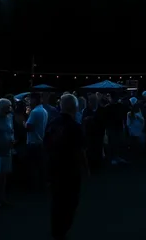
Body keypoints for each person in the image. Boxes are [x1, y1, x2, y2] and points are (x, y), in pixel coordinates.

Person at [45, 94, 88, 240]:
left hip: (54, 168)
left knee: (57, 200)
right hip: (70, 170)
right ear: (75, 107)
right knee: (70, 201)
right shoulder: (75, 127)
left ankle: (57, 230)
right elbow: (81, 150)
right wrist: (86, 168)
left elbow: (46, 145)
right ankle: (62, 229)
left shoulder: (52, 123)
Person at [25, 93, 48, 190]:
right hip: (41, 141)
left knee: (32, 166)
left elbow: (29, 127)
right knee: (41, 165)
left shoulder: (34, 112)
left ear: (34, 100)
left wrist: (24, 124)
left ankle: (33, 186)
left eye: (30, 99)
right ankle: (42, 185)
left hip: (33, 142)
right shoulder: (44, 110)